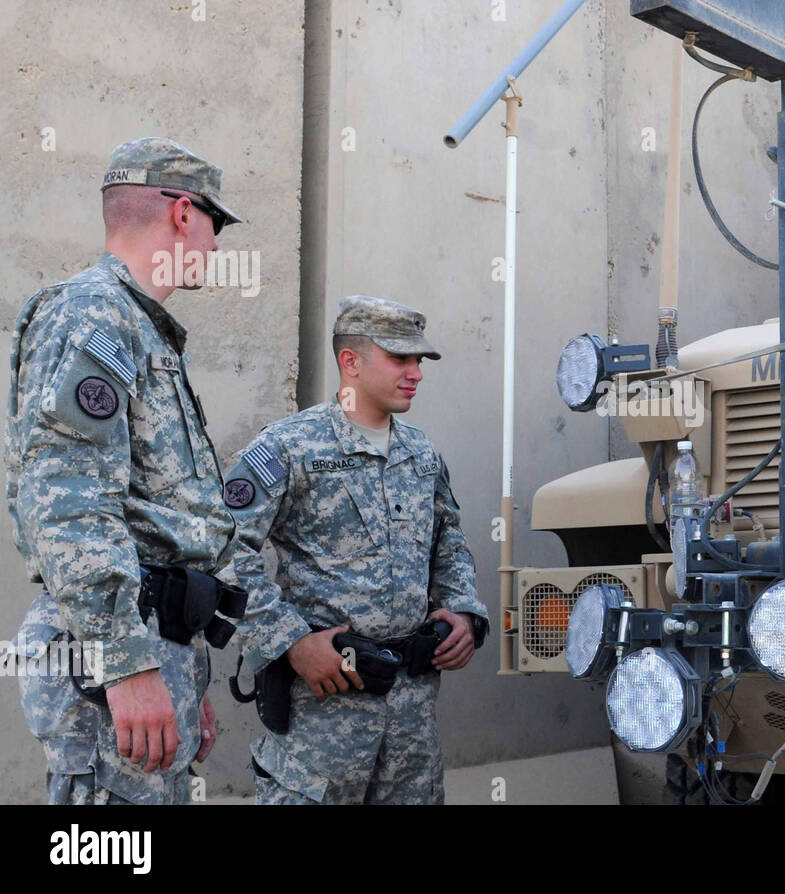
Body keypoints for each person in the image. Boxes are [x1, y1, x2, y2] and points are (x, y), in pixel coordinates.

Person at [7, 137, 246, 804]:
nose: (217, 246)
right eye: (215, 223)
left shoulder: (141, 329)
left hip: (155, 644)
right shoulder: (95, 312)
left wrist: (180, 672)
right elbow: (69, 501)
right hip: (113, 654)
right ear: (181, 214)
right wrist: (126, 665)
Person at [224, 295, 488, 804]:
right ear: (351, 361)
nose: (415, 372)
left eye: (419, 360)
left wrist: (463, 612)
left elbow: (449, 543)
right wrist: (293, 643)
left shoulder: (421, 452)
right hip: (324, 718)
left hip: (411, 719)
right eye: (399, 358)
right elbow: (223, 549)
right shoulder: (290, 447)